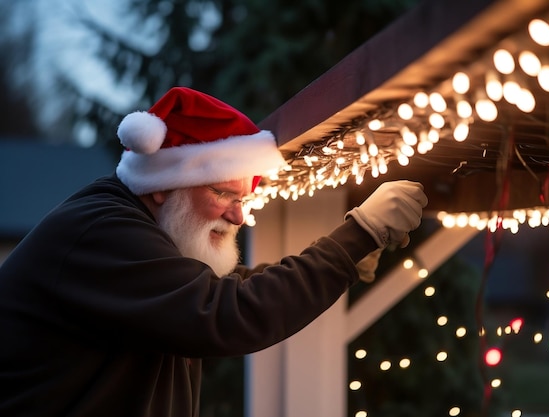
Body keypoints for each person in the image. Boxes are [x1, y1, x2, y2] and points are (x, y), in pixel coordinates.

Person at [0, 87, 428, 417]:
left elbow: (224, 290)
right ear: (164, 184)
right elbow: (226, 312)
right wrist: (358, 235)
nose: (240, 216)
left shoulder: (129, 228)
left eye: (246, 197)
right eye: (225, 193)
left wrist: (347, 254)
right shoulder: (100, 232)